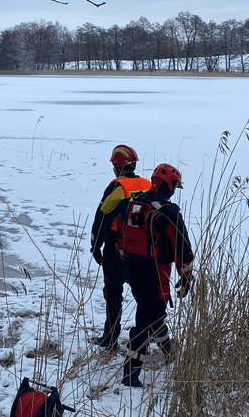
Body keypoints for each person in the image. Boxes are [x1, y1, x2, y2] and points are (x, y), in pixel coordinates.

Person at [115, 163, 195, 387]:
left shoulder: (130, 202)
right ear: (169, 185)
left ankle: (170, 354)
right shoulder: (168, 212)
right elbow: (183, 250)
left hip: (131, 270)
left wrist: (127, 264)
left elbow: (118, 236)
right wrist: (187, 277)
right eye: (175, 186)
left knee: (156, 314)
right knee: (144, 323)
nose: (174, 190)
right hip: (155, 275)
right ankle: (130, 376)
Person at [89, 145, 151, 351]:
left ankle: (110, 339)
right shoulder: (147, 184)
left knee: (113, 294)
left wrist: (95, 247)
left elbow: (102, 217)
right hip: (143, 251)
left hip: (116, 250)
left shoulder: (117, 187)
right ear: (133, 164)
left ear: (116, 166)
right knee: (143, 296)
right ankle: (150, 334)